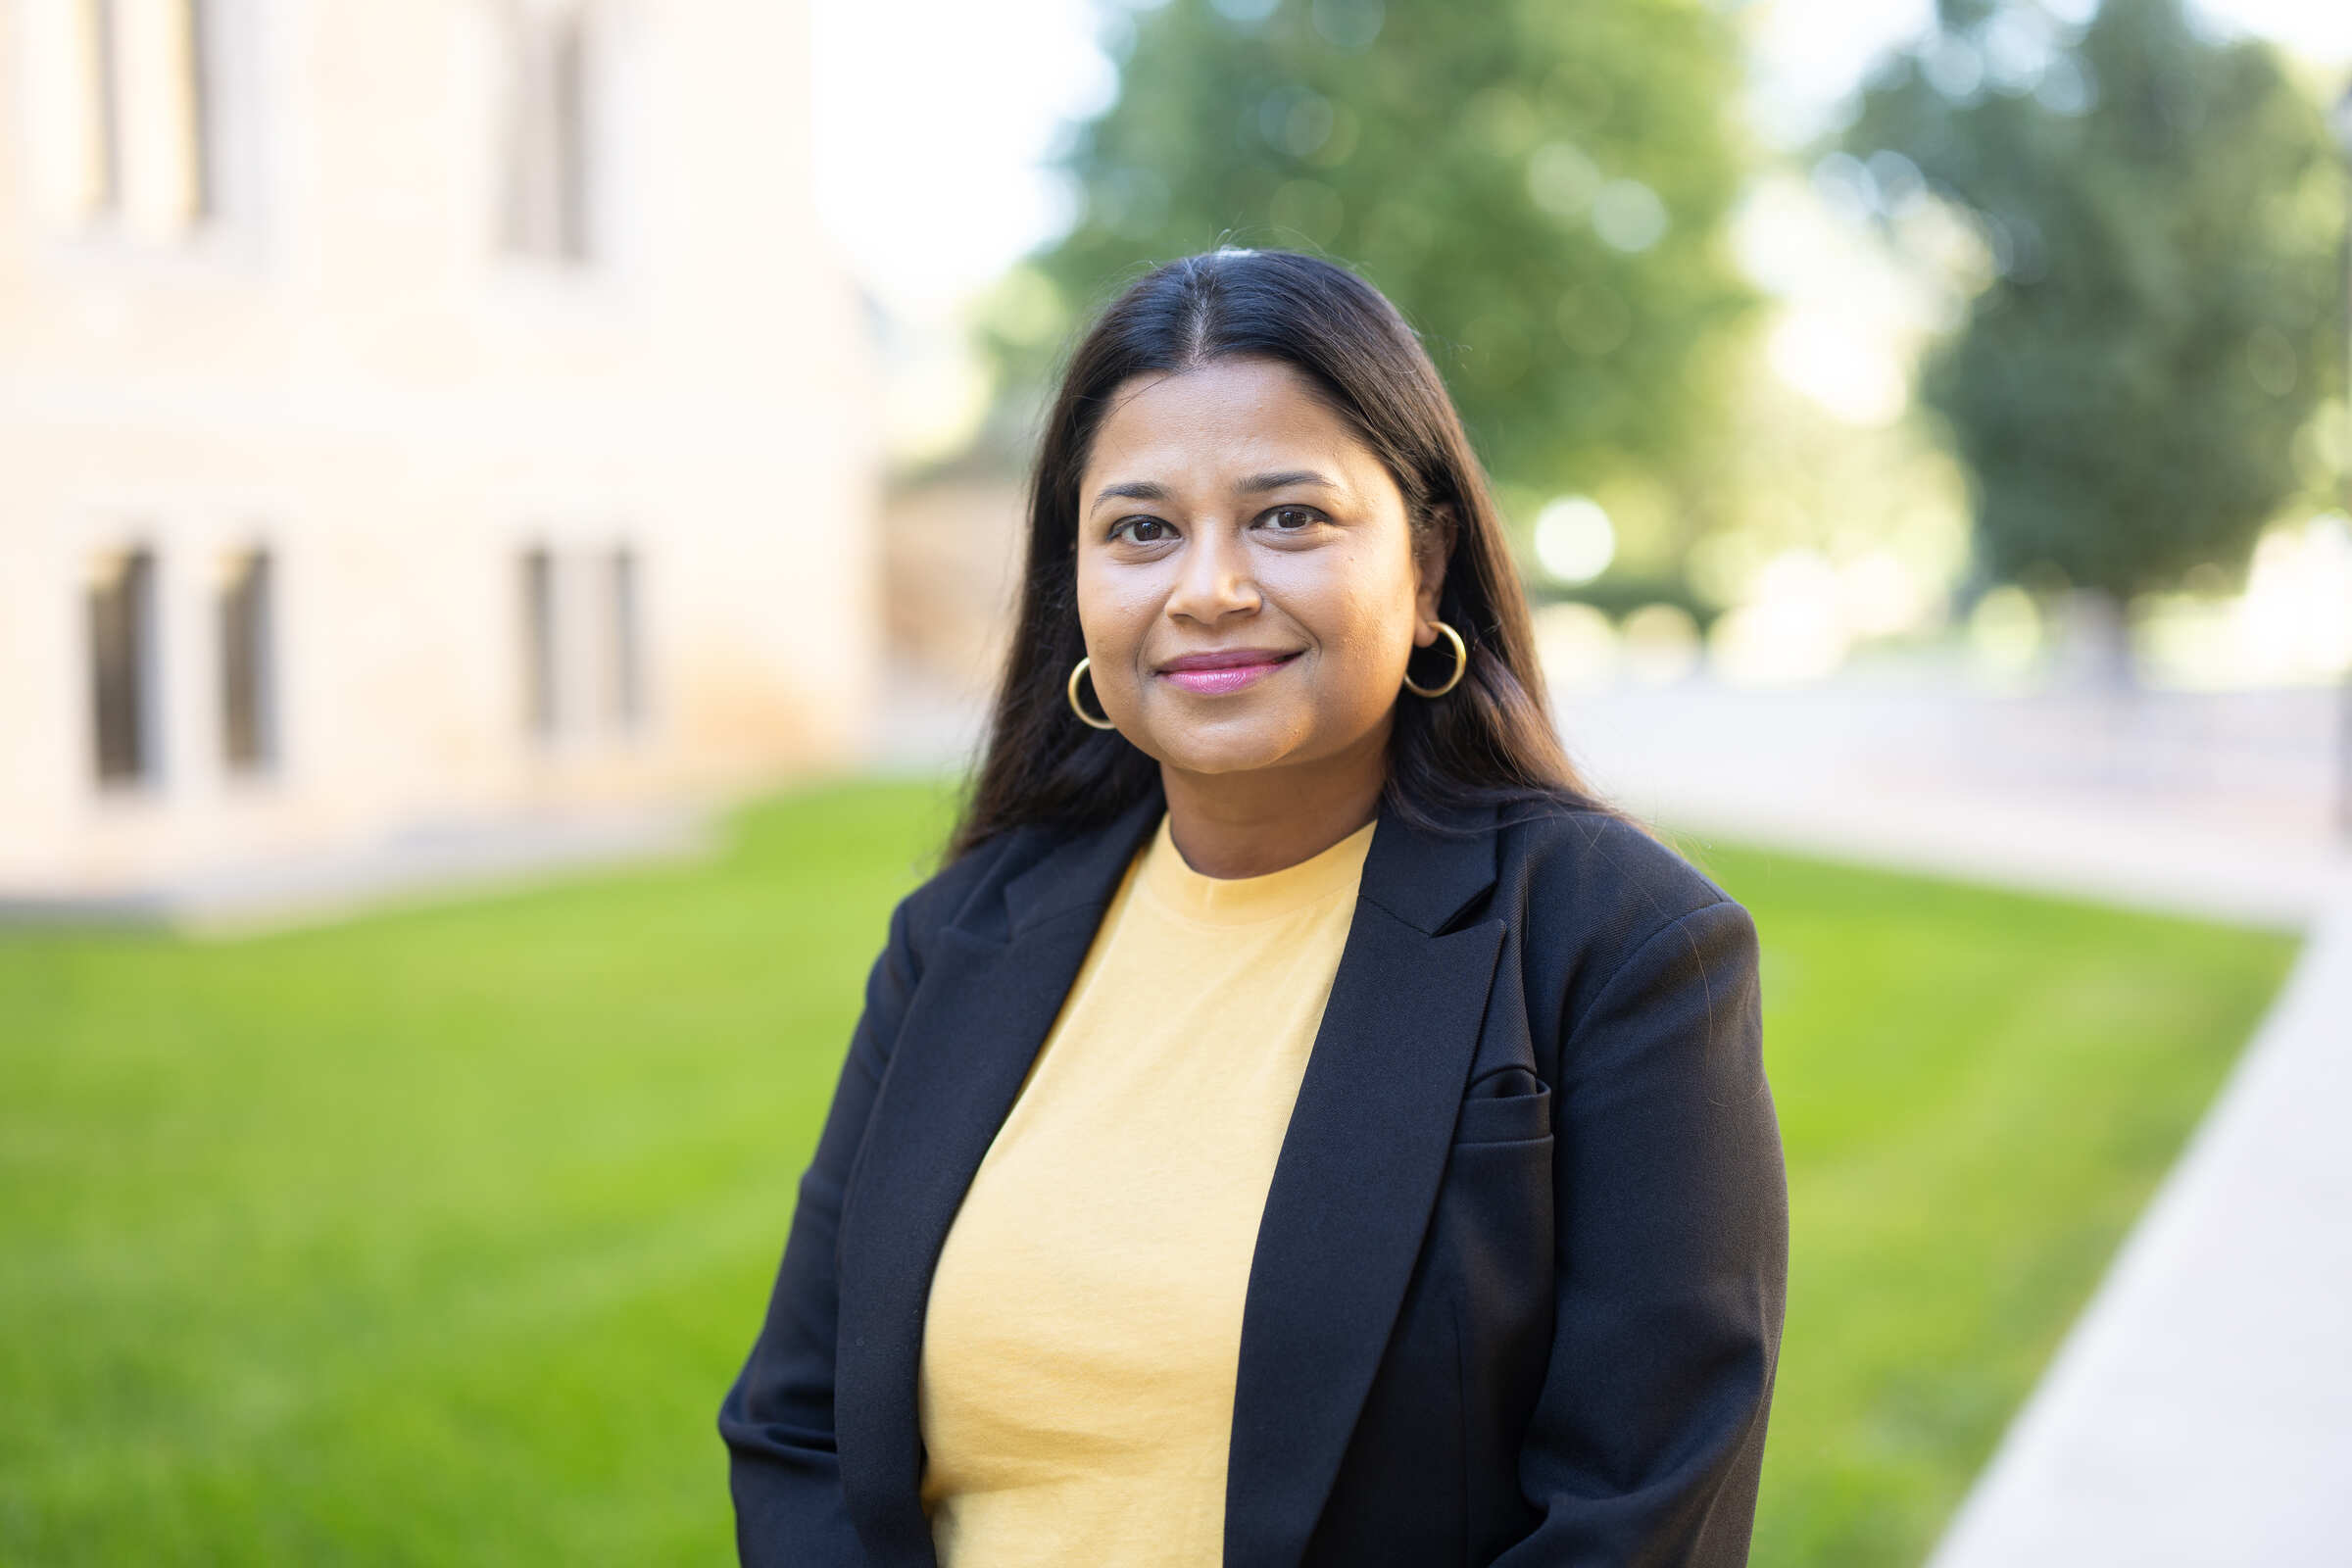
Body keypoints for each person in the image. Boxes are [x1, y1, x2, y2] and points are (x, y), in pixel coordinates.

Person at [718, 249, 1788, 1567]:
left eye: (1287, 517)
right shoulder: (958, 937)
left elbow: (1638, 1522)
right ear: (1077, 584)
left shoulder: (1618, 947)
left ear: (1429, 559)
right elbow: (799, 1431)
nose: (1207, 587)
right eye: (1140, 530)